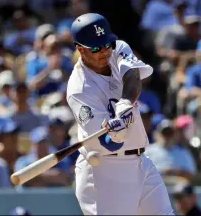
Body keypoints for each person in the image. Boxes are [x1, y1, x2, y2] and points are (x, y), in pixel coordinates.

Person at [66, 13, 174, 215]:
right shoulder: (79, 89)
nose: (105, 51)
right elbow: (108, 142)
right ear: (80, 49)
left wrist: (125, 102)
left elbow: (133, 75)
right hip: (106, 170)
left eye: (107, 44)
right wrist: (116, 131)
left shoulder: (117, 48)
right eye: (96, 48)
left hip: (141, 160)